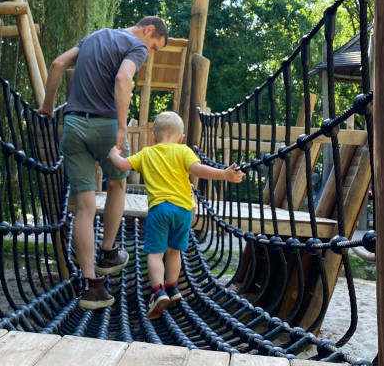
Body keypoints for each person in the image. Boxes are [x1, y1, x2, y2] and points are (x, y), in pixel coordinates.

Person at [39, 17, 169, 310]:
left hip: (73, 125)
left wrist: (47, 107)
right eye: (154, 46)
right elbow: (124, 78)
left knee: (83, 207)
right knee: (117, 184)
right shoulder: (135, 46)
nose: (151, 53)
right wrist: (122, 127)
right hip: (106, 126)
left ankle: (91, 286)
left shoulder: (94, 36)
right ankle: (108, 252)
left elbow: (58, 64)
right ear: (149, 31)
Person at [108, 111, 245, 319]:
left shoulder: (147, 152)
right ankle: (172, 288)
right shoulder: (184, 151)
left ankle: (157, 292)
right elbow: (199, 170)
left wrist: (113, 154)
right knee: (175, 251)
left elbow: (122, 165)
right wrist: (225, 174)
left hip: (159, 209)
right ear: (181, 138)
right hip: (183, 211)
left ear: (154, 137)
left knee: (156, 253)